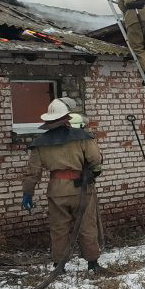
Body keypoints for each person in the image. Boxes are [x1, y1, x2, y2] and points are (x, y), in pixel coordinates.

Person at [21, 98, 105, 271]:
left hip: (56, 190)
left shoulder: (39, 143)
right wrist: (94, 171)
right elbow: (95, 159)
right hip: (81, 188)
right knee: (86, 225)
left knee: (59, 228)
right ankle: (92, 263)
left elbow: (33, 172)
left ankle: (59, 265)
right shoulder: (82, 137)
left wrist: (27, 193)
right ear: (66, 117)